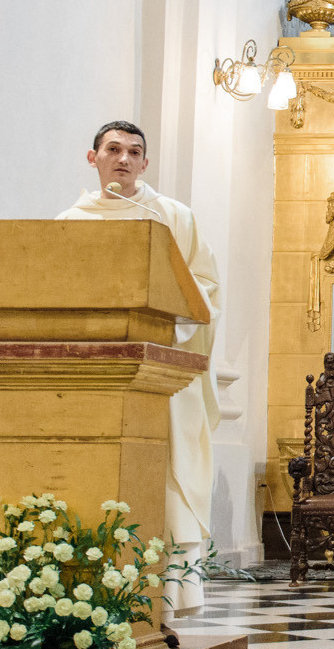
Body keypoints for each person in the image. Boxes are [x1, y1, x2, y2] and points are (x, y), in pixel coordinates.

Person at [56, 121, 223, 614]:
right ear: (93, 158)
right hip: (93, 375)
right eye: (113, 149)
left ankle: (163, 600)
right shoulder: (70, 222)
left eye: (133, 152)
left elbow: (205, 289)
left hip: (158, 375)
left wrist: (165, 322)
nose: (123, 159)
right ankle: (79, 598)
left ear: (145, 163)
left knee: (164, 479)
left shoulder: (172, 216)